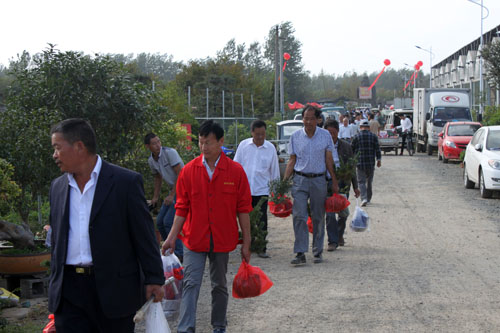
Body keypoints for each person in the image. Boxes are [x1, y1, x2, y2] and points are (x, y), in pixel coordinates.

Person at [48, 118, 164, 332]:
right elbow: (57, 241)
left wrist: (154, 277)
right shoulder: (58, 188)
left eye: (57, 148)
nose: (54, 155)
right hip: (70, 292)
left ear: (79, 146)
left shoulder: (125, 183)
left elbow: (144, 235)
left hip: (115, 289)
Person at [162, 120, 252, 333]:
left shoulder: (235, 172)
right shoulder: (189, 171)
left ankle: (219, 326)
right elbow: (181, 208)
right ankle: (186, 328)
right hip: (195, 238)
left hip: (222, 239)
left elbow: (243, 210)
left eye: (208, 143)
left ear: (221, 142)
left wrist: (246, 242)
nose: (204, 147)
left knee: (219, 284)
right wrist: (171, 237)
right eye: (201, 142)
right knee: (191, 283)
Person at [284, 104, 339, 265]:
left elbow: (329, 160)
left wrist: (334, 180)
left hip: (319, 180)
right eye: (305, 118)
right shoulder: (295, 137)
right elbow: (292, 160)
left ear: (318, 120)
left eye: (311, 119)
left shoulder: (325, 136)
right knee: (299, 215)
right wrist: (284, 183)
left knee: (318, 216)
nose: (308, 122)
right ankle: (300, 252)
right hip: (300, 179)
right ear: (302, 119)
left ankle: (317, 251)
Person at [233, 119, 280, 258]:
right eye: (257, 134)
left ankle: (262, 247)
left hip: (262, 190)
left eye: (263, 134)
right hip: (245, 190)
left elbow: (274, 170)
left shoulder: (270, 148)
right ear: (252, 132)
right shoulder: (243, 146)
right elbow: (236, 166)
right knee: (245, 218)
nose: (260, 137)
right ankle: (249, 244)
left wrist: (276, 191)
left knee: (262, 219)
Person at [144, 132, 184, 259]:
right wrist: (155, 197)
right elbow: (157, 178)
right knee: (160, 222)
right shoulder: (151, 160)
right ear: (147, 146)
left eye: (158, 142)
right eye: (154, 143)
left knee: (168, 221)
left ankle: (179, 252)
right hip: (173, 189)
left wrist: (172, 195)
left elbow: (181, 174)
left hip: (184, 187)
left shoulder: (169, 153)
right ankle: (170, 248)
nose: (157, 145)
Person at [324, 119, 360, 250]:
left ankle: (339, 234)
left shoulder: (346, 146)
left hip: (343, 183)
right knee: (329, 213)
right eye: (328, 133)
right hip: (327, 182)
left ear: (337, 132)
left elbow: (352, 167)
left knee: (342, 212)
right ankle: (332, 241)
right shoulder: (321, 147)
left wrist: (355, 186)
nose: (331, 135)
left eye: (333, 133)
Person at [351, 119, 382, 207]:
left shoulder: (356, 137)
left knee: (361, 182)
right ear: (368, 128)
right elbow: (377, 149)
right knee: (369, 181)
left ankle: (364, 198)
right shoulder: (373, 136)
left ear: (360, 127)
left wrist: (352, 162)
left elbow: (351, 150)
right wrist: (379, 160)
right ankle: (368, 198)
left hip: (360, 163)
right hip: (370, 163)